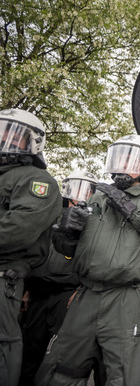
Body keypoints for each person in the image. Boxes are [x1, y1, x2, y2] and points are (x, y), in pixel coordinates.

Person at [35, 134, 140, 386]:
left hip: (128, 298)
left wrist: (126, 204)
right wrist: (66, 233)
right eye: (118, 158)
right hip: (86, 296)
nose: (121, 165)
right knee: (59, 370)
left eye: (130, 160)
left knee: (128, 377)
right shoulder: (98, 198)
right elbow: (71, 250)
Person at [18, 171, 98, 386]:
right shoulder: (51, 216)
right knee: (29, 349)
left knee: (58, 351)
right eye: (74, 188)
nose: (78, 194)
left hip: (68, 295)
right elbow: (34, 255)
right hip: (38, 293)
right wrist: (26, 291)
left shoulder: (93, 223)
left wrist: (80, 292)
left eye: (86, 189)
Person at [0, 108, 62, 386]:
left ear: (33, 143)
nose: (6, 140)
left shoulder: (36, 179)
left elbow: (17, 230)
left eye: (15, 136)